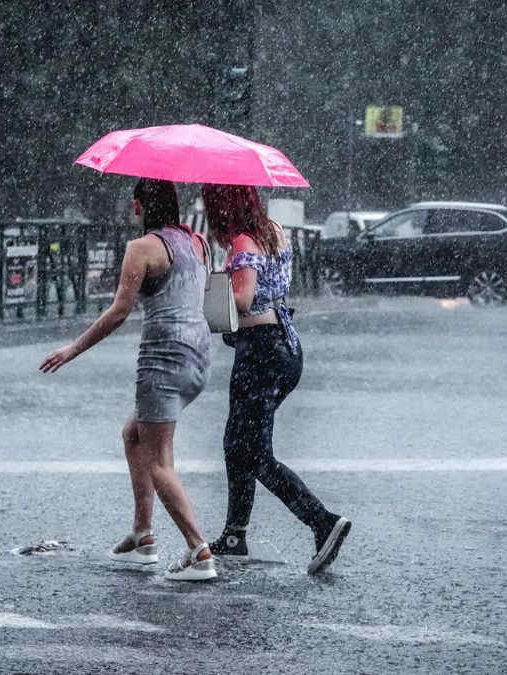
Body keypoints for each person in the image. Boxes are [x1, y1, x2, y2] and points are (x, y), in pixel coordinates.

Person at [40, 178, 216, 581]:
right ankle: (142, 535)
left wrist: (72, 350)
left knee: (158, 460)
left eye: (132, 204)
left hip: (163, 359)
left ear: (139, 207)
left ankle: (199, 550)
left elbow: (119, 311)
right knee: (134, 434)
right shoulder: (198, 244)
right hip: (198, 358)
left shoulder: (141, 249)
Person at [201, 183, 351, 575]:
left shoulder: (244, 242)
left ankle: (321, 520)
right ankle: (235, 535)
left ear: (222, 206)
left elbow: (244, 299)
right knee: (238, 443)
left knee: (254, 452)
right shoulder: (273, 230)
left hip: (261, 352)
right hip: (284, 347)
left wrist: (206, 294)